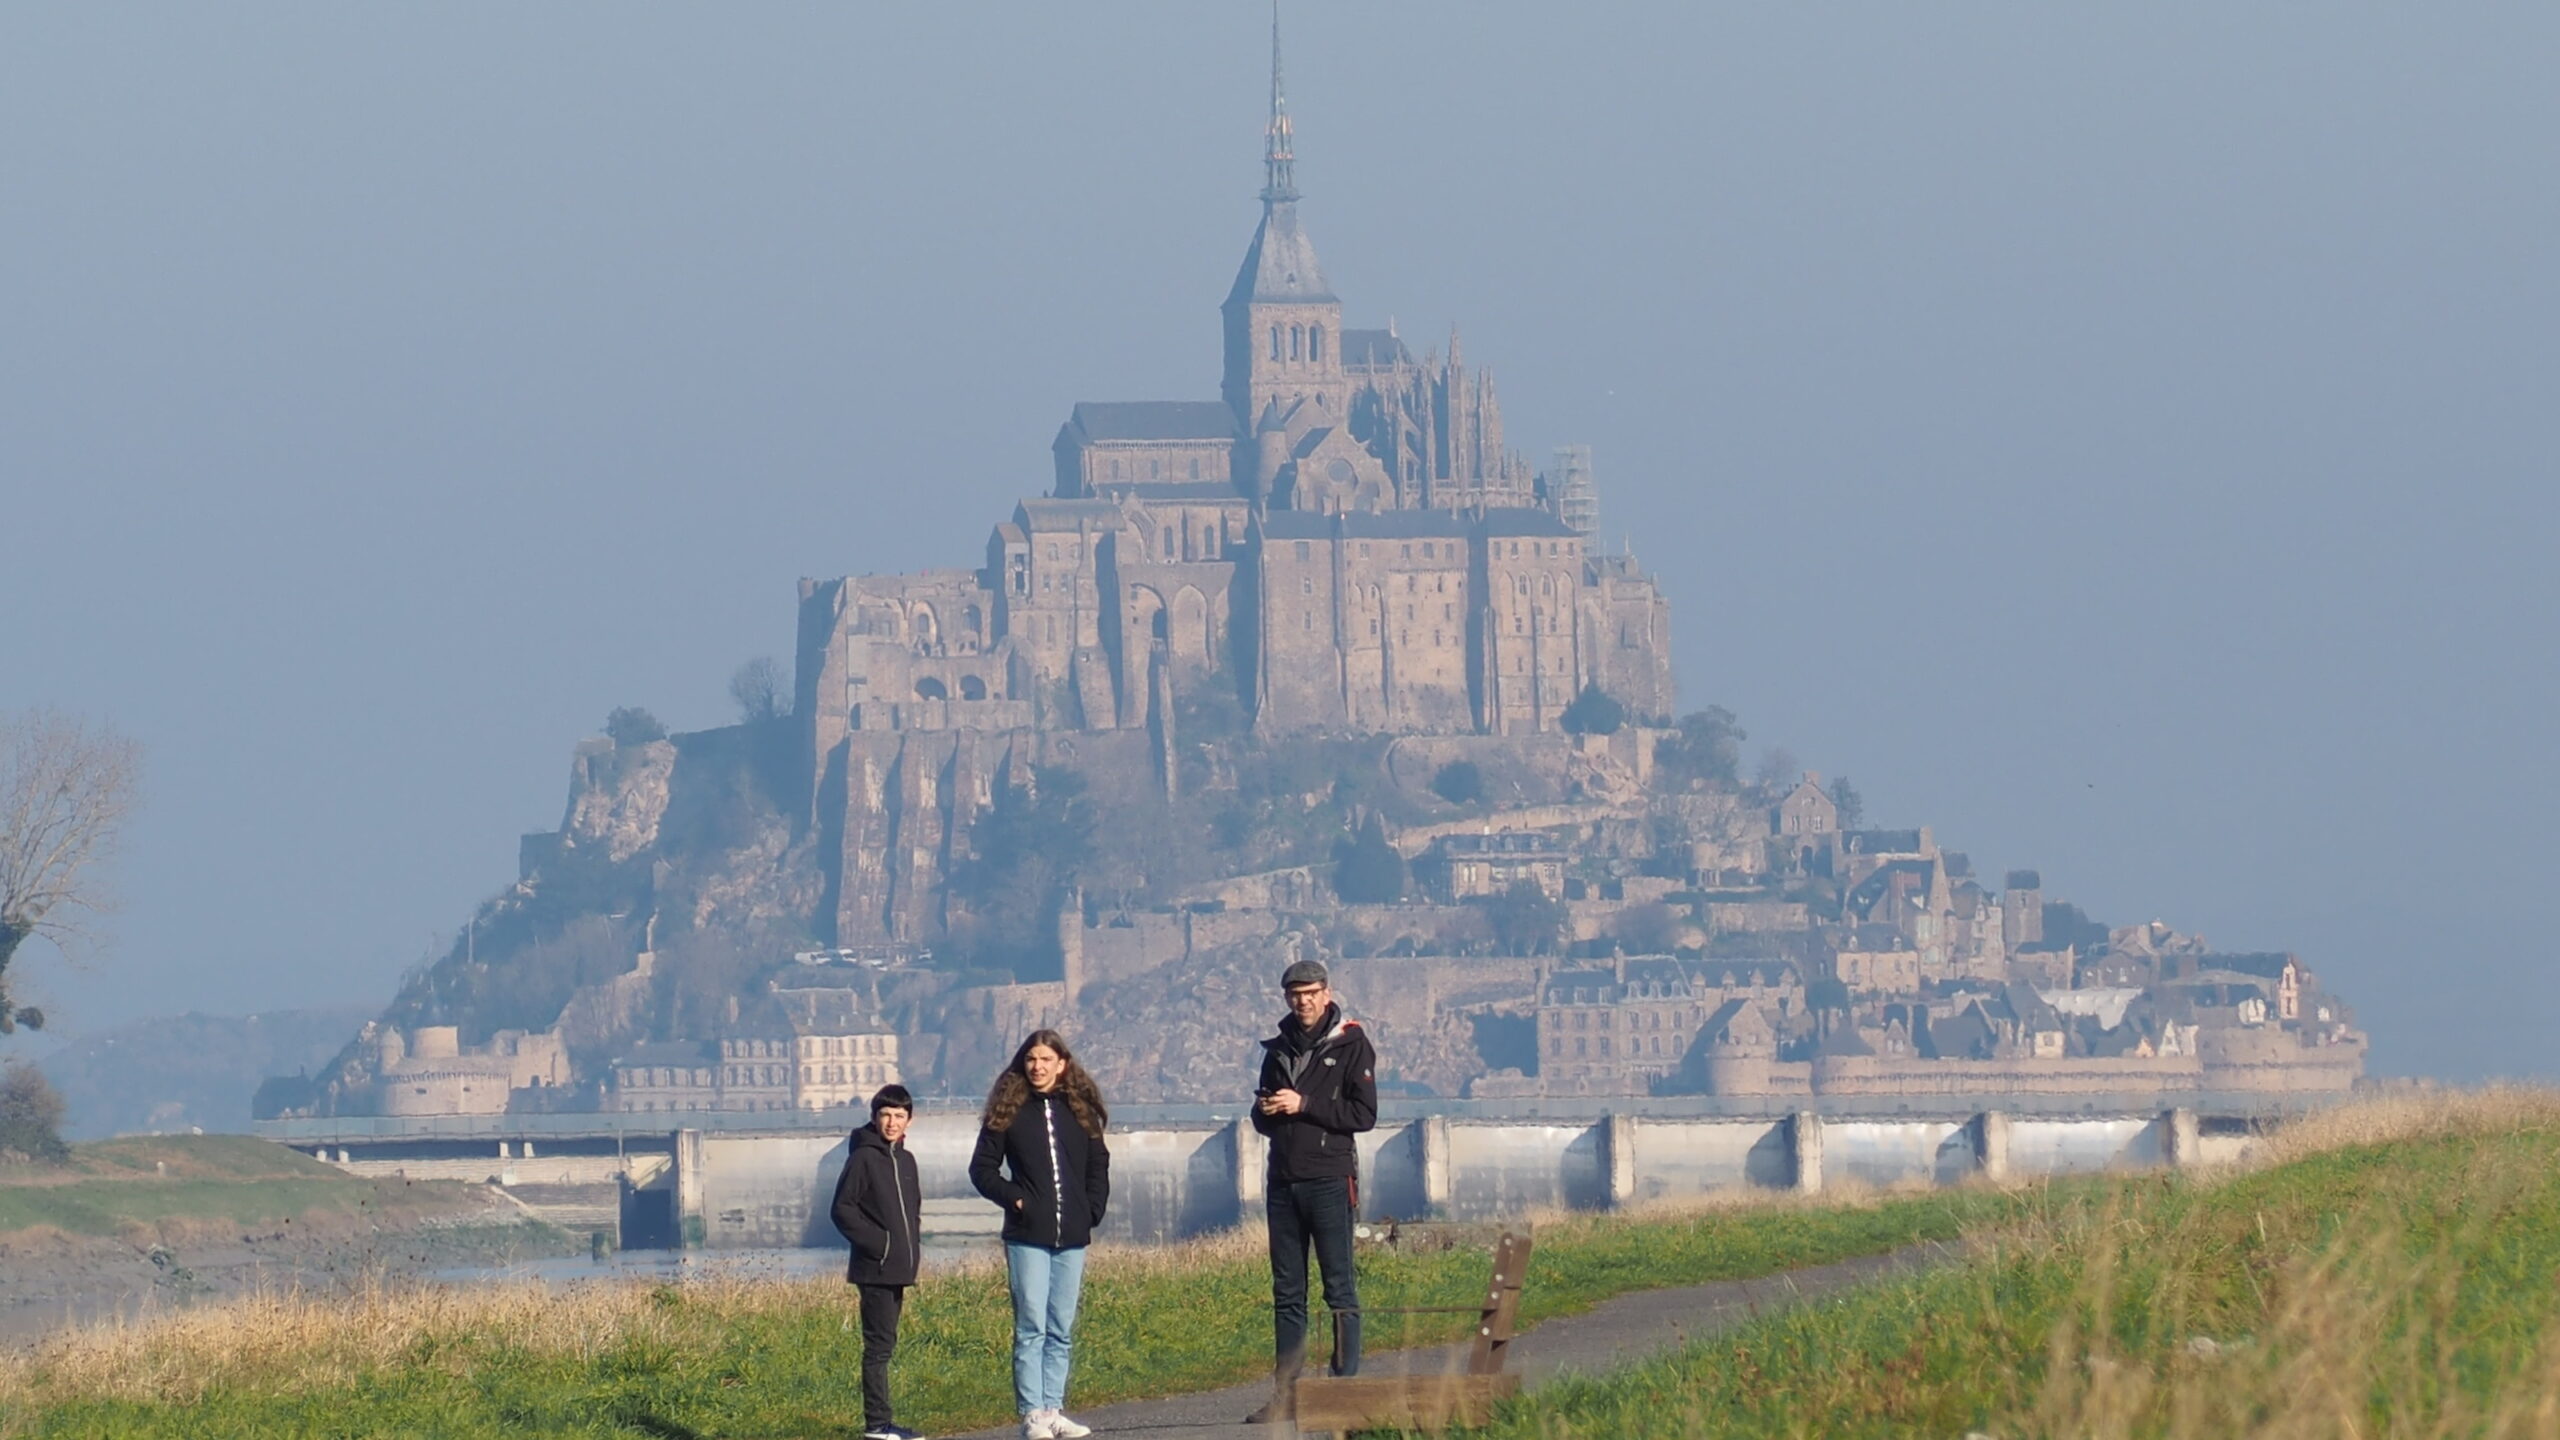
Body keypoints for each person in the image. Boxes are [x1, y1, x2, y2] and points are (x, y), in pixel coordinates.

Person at [1246, 957, 1378, 1423]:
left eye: (1310, 993)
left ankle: (1342, 1392)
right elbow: (1260, 1117)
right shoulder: (1277, 1048)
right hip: (1283, 1181)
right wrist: (1268, 1109)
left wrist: (1304, 1103)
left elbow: (1363, 1116)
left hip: (1329, 1178)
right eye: (1294, 995)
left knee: (1339, 1287)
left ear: (1326, 993)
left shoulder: (1353, 1045)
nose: (1302, 1001)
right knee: (1287, 1293)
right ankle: (1287, 1395)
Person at [970, 1029, 1112, 1440]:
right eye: (1031, 1059)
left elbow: (1098, 1165)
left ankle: (1053, 1409)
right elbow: (982, 1170)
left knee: (1061, 1326)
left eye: (1046, 1059)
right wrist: (1016, 1200)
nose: (1037, 1066)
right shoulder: (1008, 1111)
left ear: (1062, 1064)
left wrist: (1092, 1210)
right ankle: (1031, 1413)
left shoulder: (1079, 1110)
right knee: (1031, 1324)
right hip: (1026, 1236)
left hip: (1072, 1235)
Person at [831, 1084, 927, 1440]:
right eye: (885, 1115)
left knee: (885, 1345)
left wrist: (909, 1252)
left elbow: (912, 1212)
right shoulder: (863, 1158)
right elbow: (842, 1209)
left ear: (909, 1121)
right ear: (874, 1117)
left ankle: (883, 1423)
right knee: (878, 1349)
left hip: (899, 1269)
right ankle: (877, 1425)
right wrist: (881, 1245)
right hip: (875, 1268)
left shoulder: (906, 1160)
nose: (891, 1122)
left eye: (899, 1116)